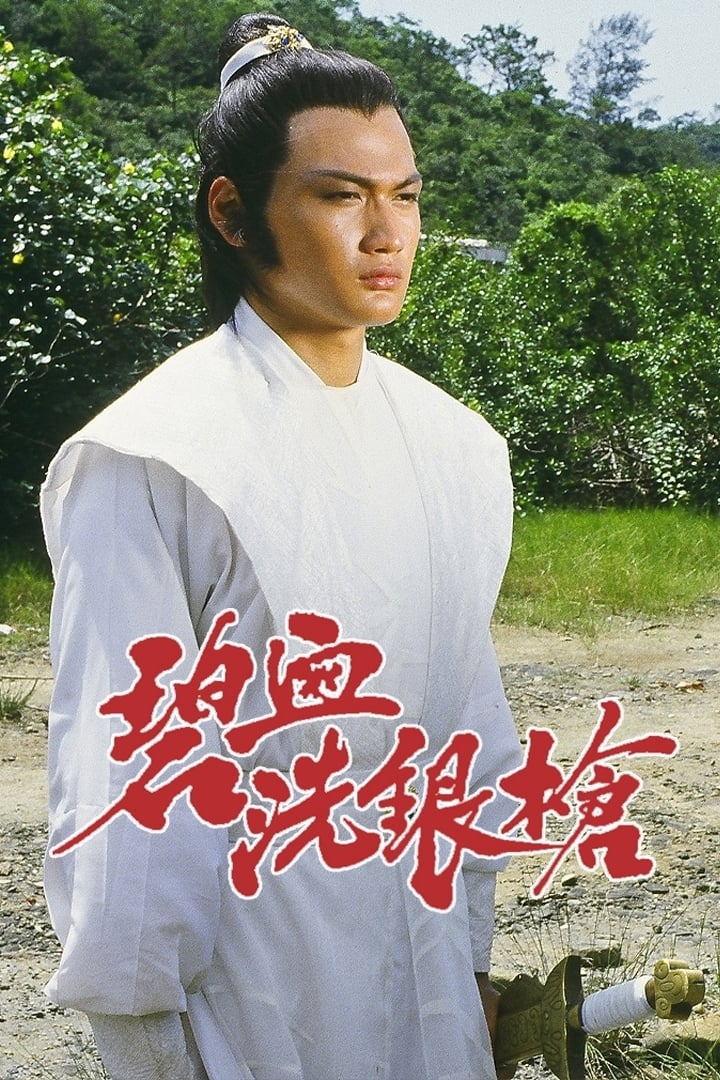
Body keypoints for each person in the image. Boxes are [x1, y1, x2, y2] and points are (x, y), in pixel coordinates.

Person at [40, 12, 522, 1079]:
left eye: (405, 196)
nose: (386, 233)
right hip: (255, 993)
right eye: (341, 196)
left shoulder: (456, 447)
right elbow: (127, 788)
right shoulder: (155, 454)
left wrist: (474, 956)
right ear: (233, 212)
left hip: (430, 976)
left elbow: (469, 729)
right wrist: (147, 1045)